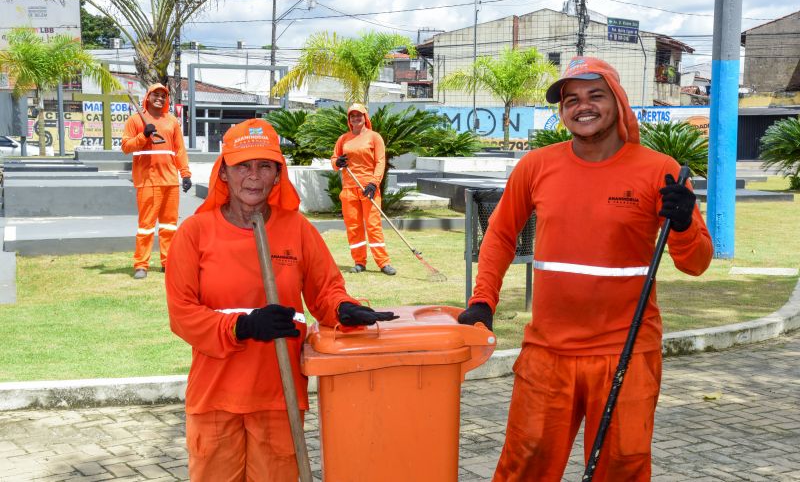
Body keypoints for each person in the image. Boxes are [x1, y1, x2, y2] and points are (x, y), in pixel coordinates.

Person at [458, 57, 713, 481]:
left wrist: (684, 224)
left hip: (627, 353)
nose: (583, 106)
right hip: (547, 352)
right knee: (526, 463)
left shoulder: (661, 170)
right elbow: (501, 236)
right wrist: (483, 300)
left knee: (623, 466)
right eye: (571, 99)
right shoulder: (536, 165)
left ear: (617, 100)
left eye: (595, 95)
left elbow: (697, 263)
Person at [165, 118, 397, 481]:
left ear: (278, 174)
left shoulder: (297, 229)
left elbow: (325, 290)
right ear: (223, 173)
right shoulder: (194, 233)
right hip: (214, 398)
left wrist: (343, 309)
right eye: (243, 166)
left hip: (279, 396)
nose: (253, 176)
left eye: (264, 166)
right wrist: (242, 326)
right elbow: (182, 315)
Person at [122, 83, 192, 279]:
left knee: (169, 226)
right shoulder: (136, 120)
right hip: (148, 181)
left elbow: (179, 150)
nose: (160, 98)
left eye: (163, 95)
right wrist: (143, 135)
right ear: (148, 96)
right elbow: (126, 147)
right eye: (156, 95)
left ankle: (167, 262)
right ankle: (141, 265)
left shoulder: (172, 122)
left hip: (170, 181)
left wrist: (185, 174)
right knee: (146, 226)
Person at [331, 103, 397, 275]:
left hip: (368, 188)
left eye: (359, 115)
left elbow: (380, 161)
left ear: (365, 117)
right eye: (352, 115)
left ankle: (383, 263)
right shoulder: (343, 139)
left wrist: (374, 183)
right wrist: (337, 163)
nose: (355, 118)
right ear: (349, 119)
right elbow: (334, 159)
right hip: (349, 188)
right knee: (353, 227)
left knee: (373, 225)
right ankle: (359, 261)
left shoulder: (374, 137)